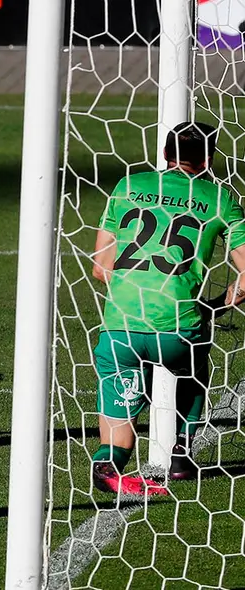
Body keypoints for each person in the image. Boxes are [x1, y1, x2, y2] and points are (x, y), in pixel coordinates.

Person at [90, 121, 245, 496]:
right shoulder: (220, 199)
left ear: (164, 154)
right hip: (179, 328)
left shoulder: (128, 187)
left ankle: (108, 463)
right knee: (192, 371)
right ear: (210, 158)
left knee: (121, 393)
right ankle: (180, 454)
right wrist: (212, 308)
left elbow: (99, 268)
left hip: (121, 326)